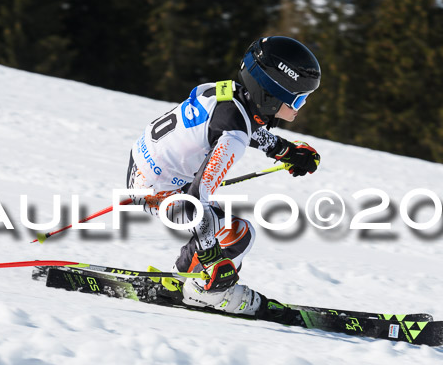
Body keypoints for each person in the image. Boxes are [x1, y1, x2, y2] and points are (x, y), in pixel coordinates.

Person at [126, 36, 321, 316]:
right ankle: (205, 292)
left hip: (143, 170)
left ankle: (183, 278)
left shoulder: (227, 93)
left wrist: (284, 150)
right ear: (272, 94)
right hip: (158, 192)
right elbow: (196, 199)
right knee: (239, 234)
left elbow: (240, 122)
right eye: (299, 100)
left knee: (218, 224)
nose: (299, 108)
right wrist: (211, 257)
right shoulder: (234, 138)